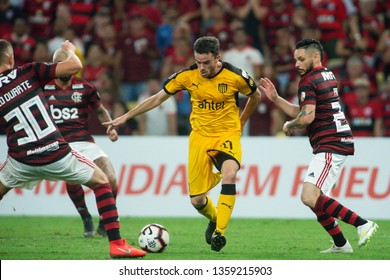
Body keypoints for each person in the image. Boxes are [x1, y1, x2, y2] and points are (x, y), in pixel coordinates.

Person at [104, 36, 261, 252]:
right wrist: (125, 117)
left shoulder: (235, 76)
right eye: (198, 62)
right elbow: (157, 98)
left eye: (206, 62)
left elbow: (256, 96)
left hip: (227, 134)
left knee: (230, 174)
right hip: (199, 137)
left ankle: (219, 233)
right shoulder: (187, 76)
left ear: (218, 57)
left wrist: (241, 122)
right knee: (197, 201)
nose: (202, 67)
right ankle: (214, 219)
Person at [0, 39, 145, 258]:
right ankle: (116, 244)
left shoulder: (82, 88)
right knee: (101, 181)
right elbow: (75, 65)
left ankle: (98, 227)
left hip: (20, 160)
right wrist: (69, 50)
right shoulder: (29, 72)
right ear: (11, 59)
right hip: (55, 150)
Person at [259, 38, 378, 253]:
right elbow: (305, 111)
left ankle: (363, 224)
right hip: (336, 139)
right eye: (295, 59)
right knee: (317, 200)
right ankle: (341, 244)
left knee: (308, 196)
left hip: (331, 142)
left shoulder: (308, 81)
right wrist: (276, 99)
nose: (296, 64)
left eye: (301, 59)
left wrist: (289, 125)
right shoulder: (326, 74)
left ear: (316, 57)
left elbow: (305, 118)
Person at [43, 48, 121, 238]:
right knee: (73, 178)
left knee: (111, 179)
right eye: (61, 65)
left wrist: (109, 127)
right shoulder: (43, 88)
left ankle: (104, 219)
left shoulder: (86, 87)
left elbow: (101, 111)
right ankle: (86, 217)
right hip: (60, 144)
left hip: (86, 142)